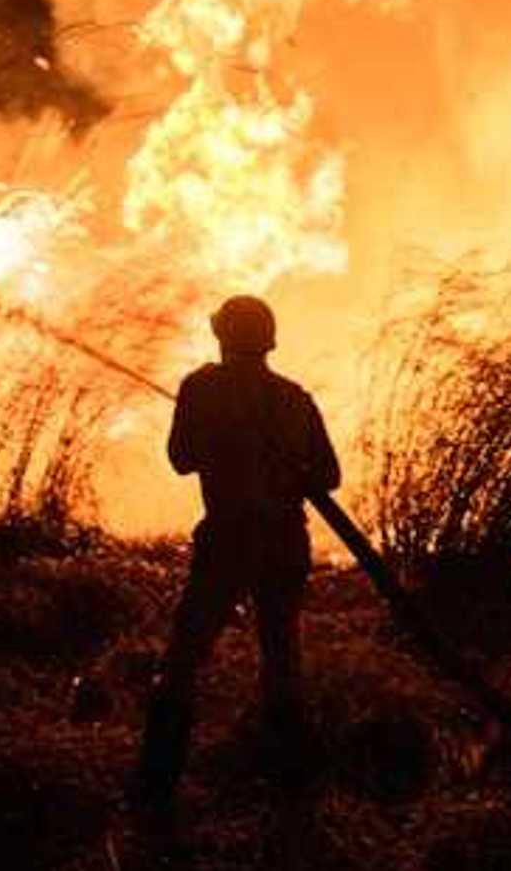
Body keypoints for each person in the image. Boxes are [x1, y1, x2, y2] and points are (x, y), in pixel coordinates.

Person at [131, 295, 341, 810]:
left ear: (222, 336)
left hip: (227, 540)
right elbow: (329, 477)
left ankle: (154, 792)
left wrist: (218, 438)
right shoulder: (296, 399)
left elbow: (181, 460)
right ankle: (292, 790)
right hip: (287, 542)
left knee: (183, 660)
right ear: (268, 340)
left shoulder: (201, 388)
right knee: (282, 659)